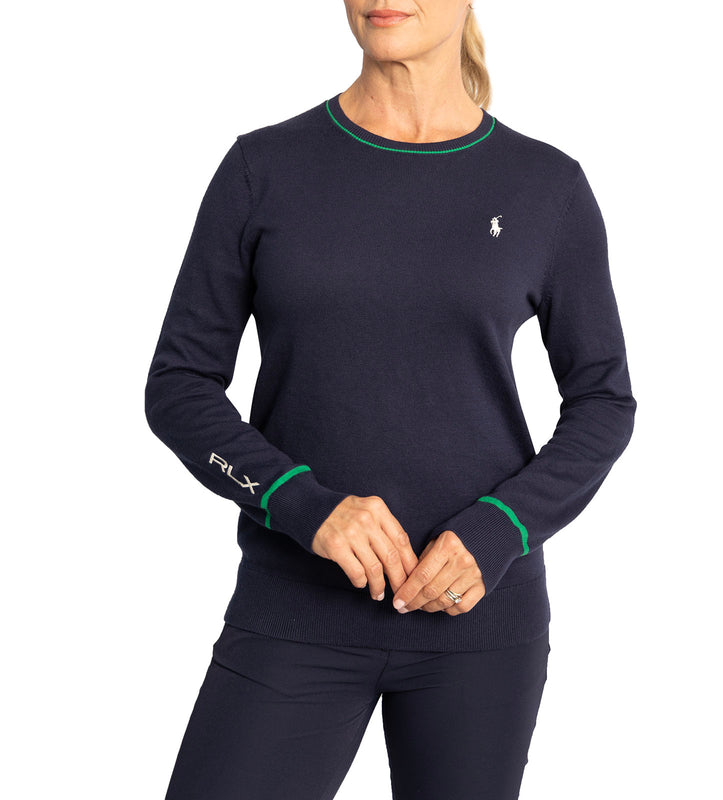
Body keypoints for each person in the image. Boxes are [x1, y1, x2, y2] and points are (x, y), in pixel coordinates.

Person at [144, 2, 636, 798]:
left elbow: (604, 400)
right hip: (293, 614)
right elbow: (179, 385)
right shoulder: (264, 169)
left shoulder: (545, 186)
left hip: (479, 626)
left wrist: (500, 530)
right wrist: (300, 502)